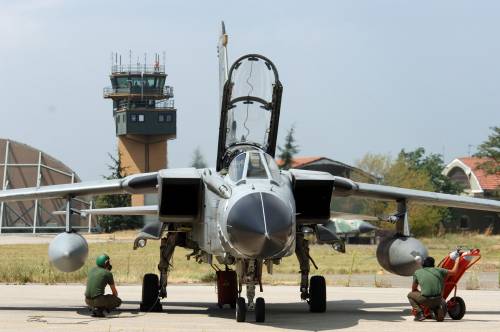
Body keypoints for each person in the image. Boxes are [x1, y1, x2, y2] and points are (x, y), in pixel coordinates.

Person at [408, 254, 460, 322]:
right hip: (439, 299)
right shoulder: (440, 270)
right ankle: (437, 309)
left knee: (410, 295)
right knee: (439, 317)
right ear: (433, 264)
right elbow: (454, 272)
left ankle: (420, 313)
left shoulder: (417, 272)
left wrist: (421, 293)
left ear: (423, 263)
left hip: (425, 300)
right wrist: (457, 261)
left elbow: (413, 289)